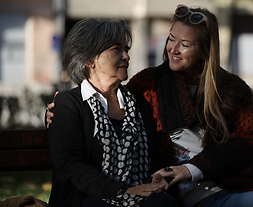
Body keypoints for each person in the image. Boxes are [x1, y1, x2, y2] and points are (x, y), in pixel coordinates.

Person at [47, 5, 253, 207]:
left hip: (228, 178)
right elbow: (97, 102)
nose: (172, 50)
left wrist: (191, 169)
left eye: (185, 44)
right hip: (193, 192)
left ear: (206, 51)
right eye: (170, 40)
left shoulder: (230, 90)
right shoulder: (148, 85)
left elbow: (242, 146)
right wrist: (59, 108)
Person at [46, 18, 176, 207]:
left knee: (161, 202)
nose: (126, 56)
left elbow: (157, 157)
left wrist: (159, 179)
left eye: (127, 50)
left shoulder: (138, 104)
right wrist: (122, 191)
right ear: (89, 59)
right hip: (85, 199)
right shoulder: (69, 104)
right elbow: (71, 167)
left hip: (138, 196)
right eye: (116, 49)